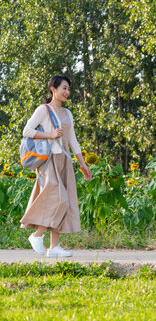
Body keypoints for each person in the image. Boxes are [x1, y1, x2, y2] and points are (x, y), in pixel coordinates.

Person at [21, 75, 92, 258]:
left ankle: (54, 247)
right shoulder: (43, 110)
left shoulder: (67, 114)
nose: (67, 92)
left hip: (65, 159)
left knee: (64, 200)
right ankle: (37, 235)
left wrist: (82, 164)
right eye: (64, 88)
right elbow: (27, 131)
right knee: (57, 197)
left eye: (69, 89)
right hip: (49, 160)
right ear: (53, 89)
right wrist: (50, 135)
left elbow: (73, 140)